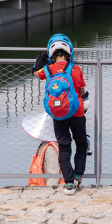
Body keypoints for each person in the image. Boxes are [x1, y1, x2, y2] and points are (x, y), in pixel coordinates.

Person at [32, 34, 89, 195]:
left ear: (51, 55)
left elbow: (35, 73)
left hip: (58, 113)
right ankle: (78, 175)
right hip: (77, 112)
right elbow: (82, 92)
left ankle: (69, 183)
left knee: (64, 147)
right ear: (69, 53)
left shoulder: (48, 70)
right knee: (81, 144)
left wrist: (39, 61)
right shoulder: (76, 69)